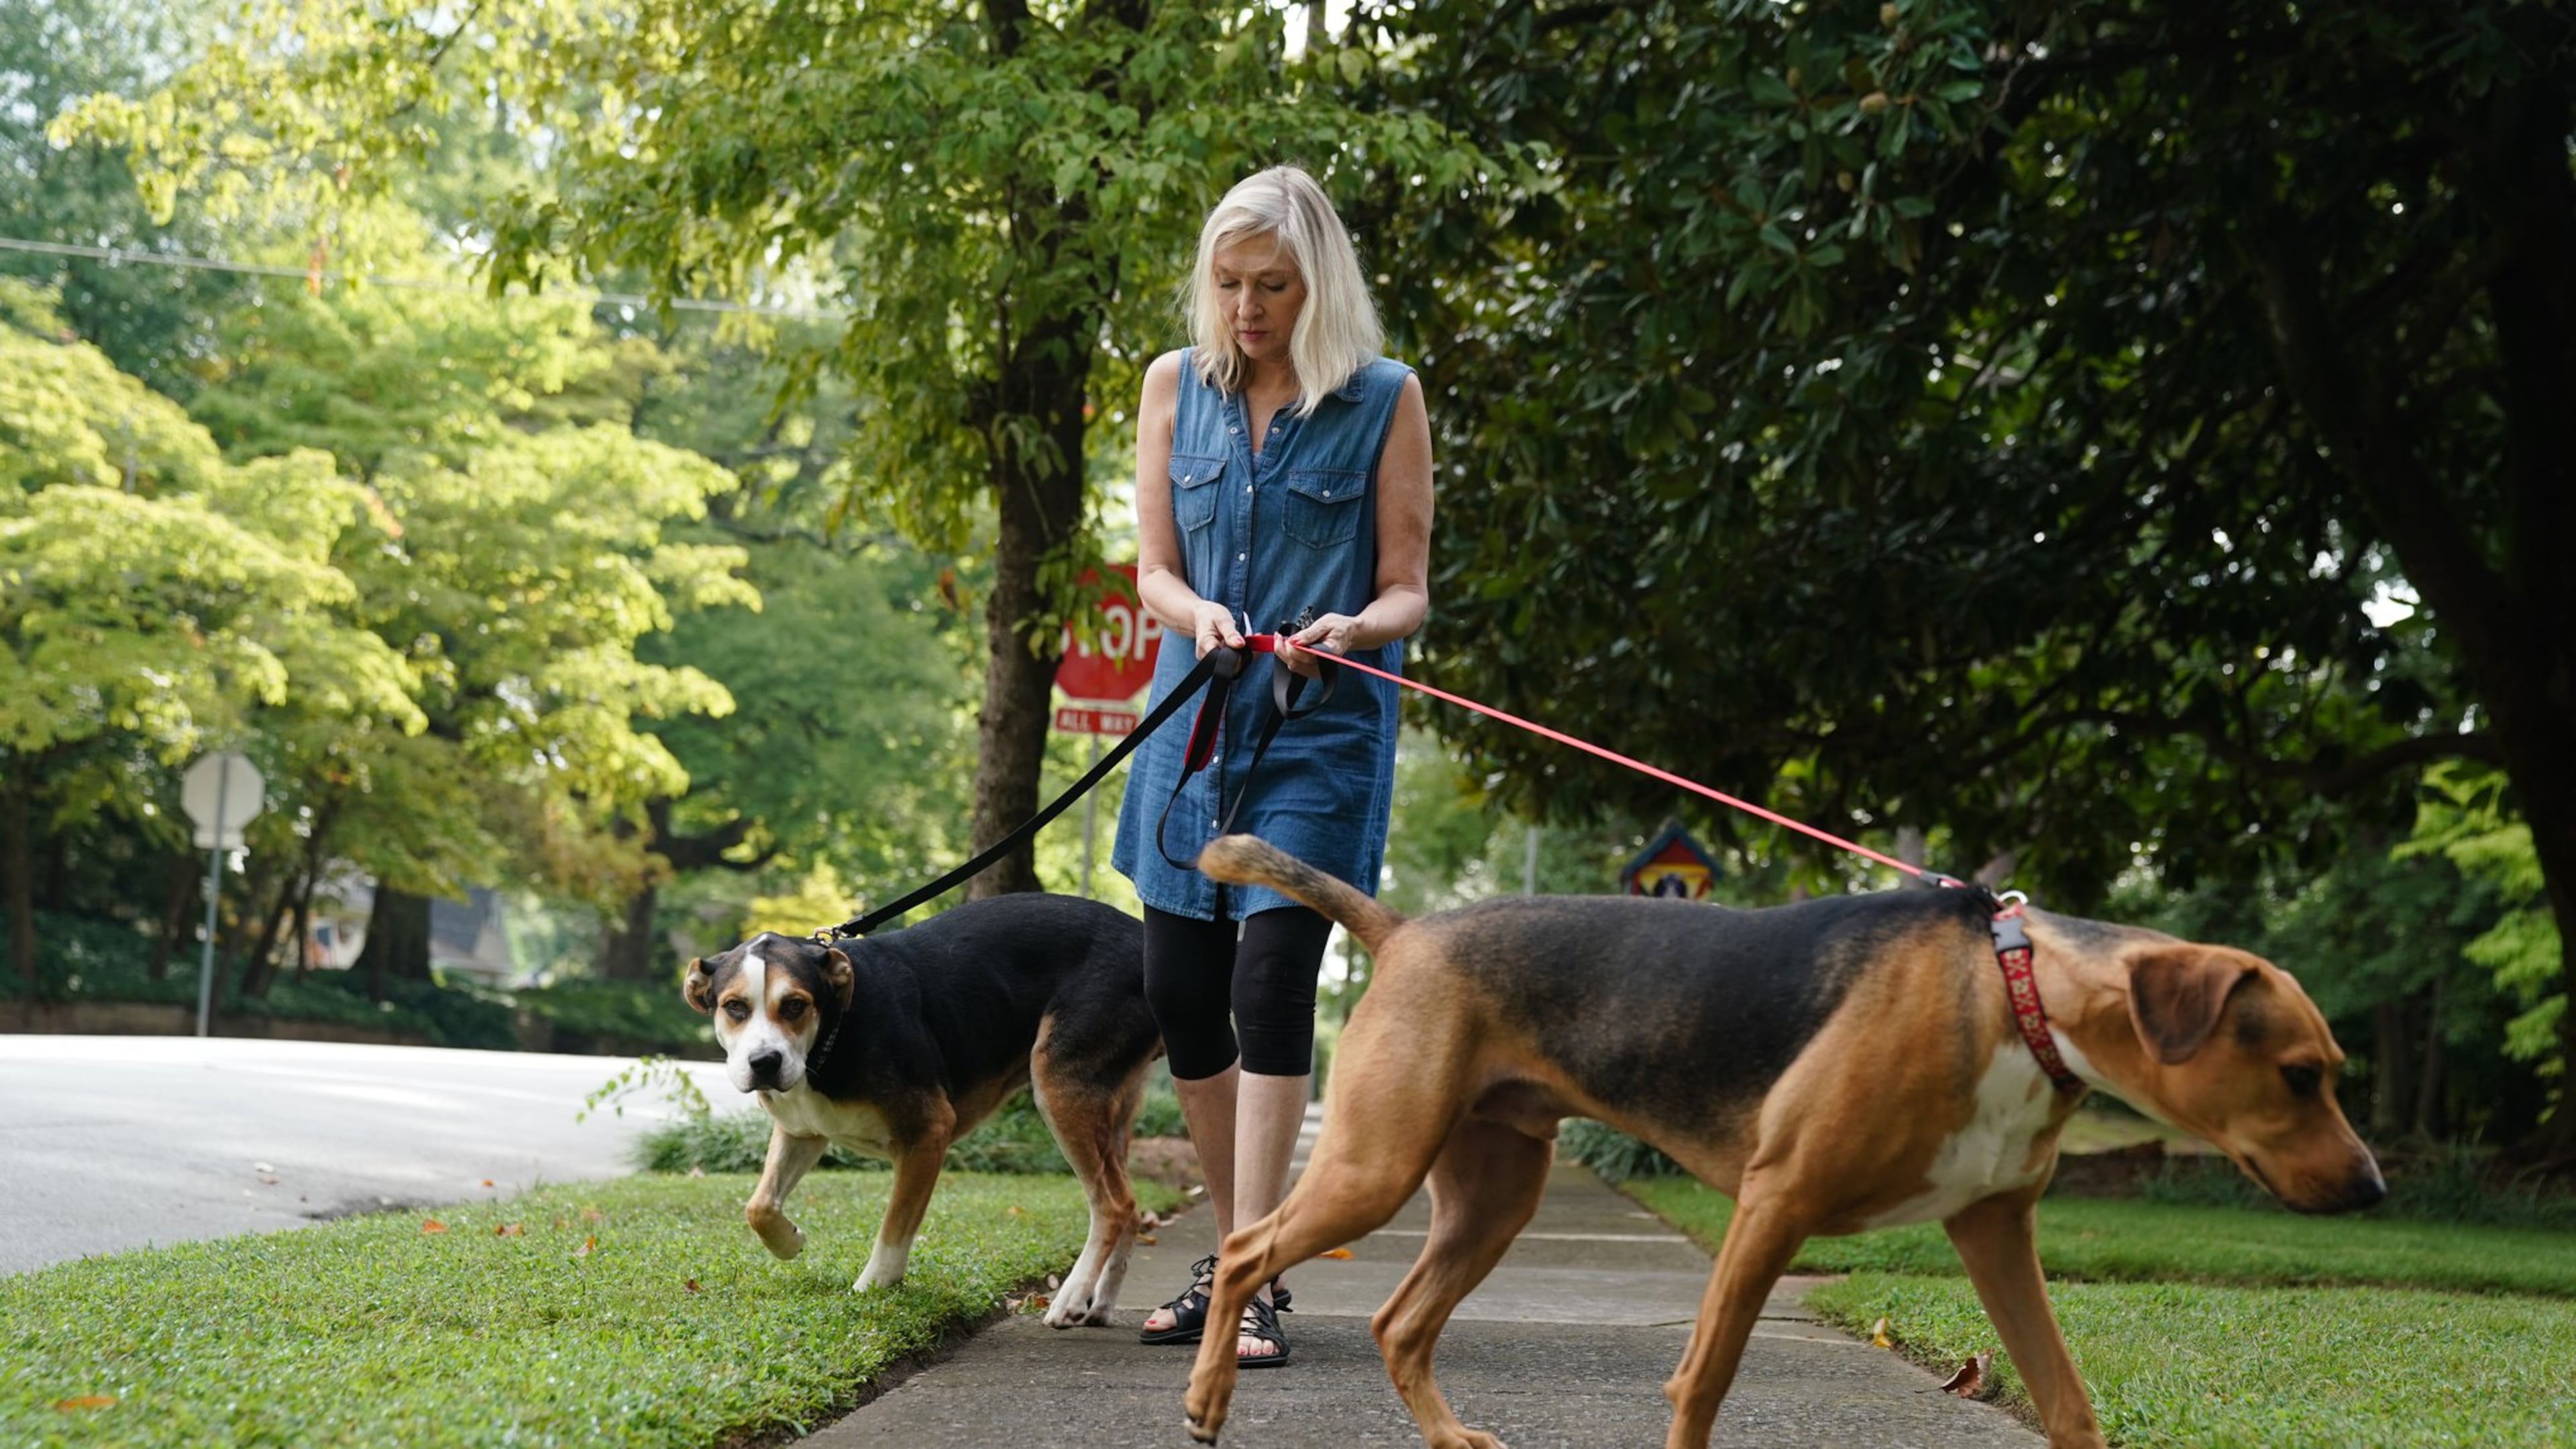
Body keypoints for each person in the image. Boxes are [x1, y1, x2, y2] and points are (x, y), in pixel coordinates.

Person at [1108, 164, 1434, 1370]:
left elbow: (1406, 585)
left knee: (1269, 980)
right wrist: (1195, 611)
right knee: (1181, 990)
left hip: (1317, 732)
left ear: (1318, 284)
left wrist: (1356, 627)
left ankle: (1260, 1281)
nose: (1245, 306)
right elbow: (1151, 566)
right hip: (1192, 728)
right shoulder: (1170, 387)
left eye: (1273, 285)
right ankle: (1237, 1247)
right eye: (1229, 282)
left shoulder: (1385, 398)